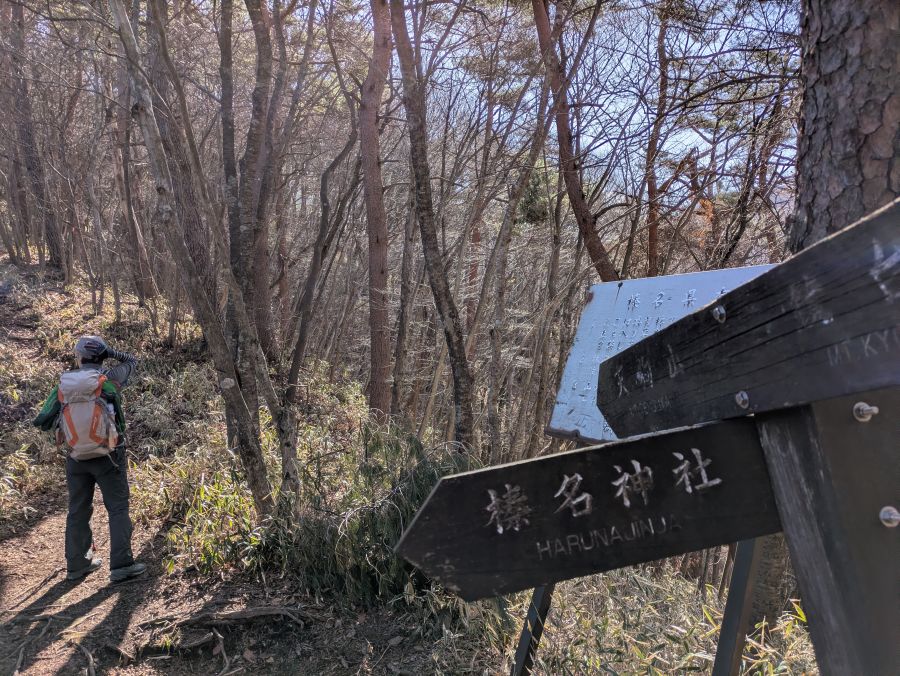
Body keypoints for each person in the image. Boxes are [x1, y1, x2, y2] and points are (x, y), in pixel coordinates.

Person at [33, 336, 146, 582]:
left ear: (79, 357)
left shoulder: (63, 387)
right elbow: (132, 361)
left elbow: (42, 420)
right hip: (109, 455)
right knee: (117, 508)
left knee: (78, 510)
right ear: (102, 356)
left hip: (76, 457)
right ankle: (122, 565)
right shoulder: (109, 382)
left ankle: (77, 565)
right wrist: (110, 351)